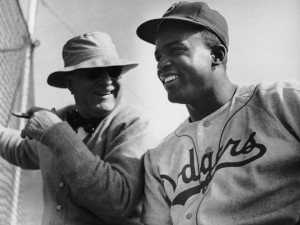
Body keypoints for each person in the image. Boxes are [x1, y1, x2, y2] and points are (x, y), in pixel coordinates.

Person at [136, 1, 300, 225]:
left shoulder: (282, 101)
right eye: (158, 56)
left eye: (176, 50)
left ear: (217, 55)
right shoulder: (159, 157)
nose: (162, 64)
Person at [0, 32, 158, 225]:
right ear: (69, 83)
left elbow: (117, 201)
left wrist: (57, 133)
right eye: (93, 73)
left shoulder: (135, 122)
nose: (107, 80)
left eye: (114, 71)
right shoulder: (58, 122)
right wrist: (52, 129)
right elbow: (20, 149)